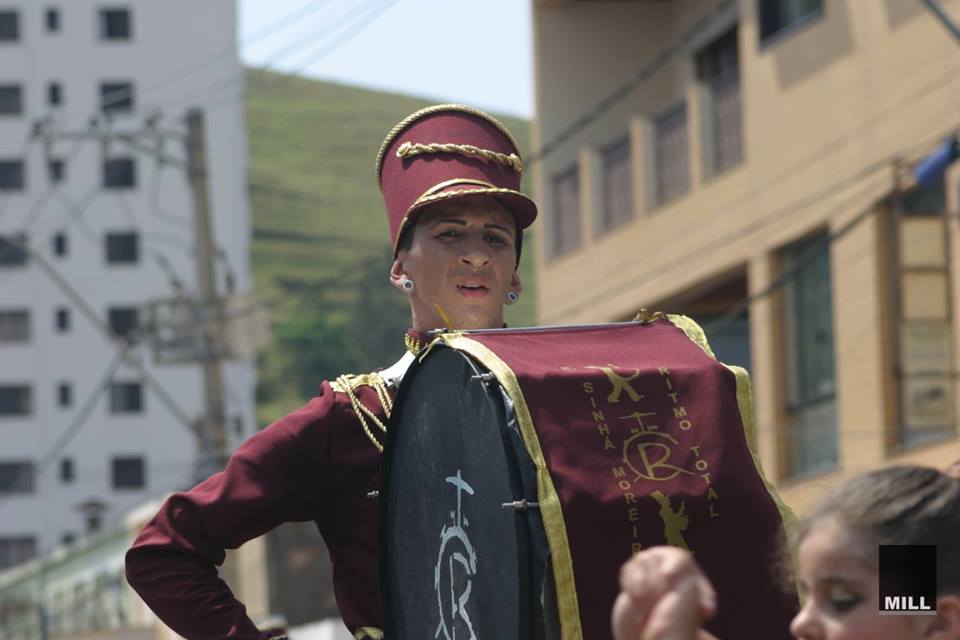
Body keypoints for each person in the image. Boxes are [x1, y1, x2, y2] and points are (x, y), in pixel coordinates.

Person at [124, 104, 538, 640]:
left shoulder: (558, 399)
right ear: (400, 268)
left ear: (515, 276)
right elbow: (163, 551)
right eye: (450, 234)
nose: (476, 255)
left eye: (496, 239)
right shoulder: (351, 419)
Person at [611, 465, 960, 640]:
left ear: (939, 624)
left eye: (841, 599)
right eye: (806, 595)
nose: (800, 624)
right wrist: (651, 611)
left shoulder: (914, 587)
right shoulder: (912, 599)